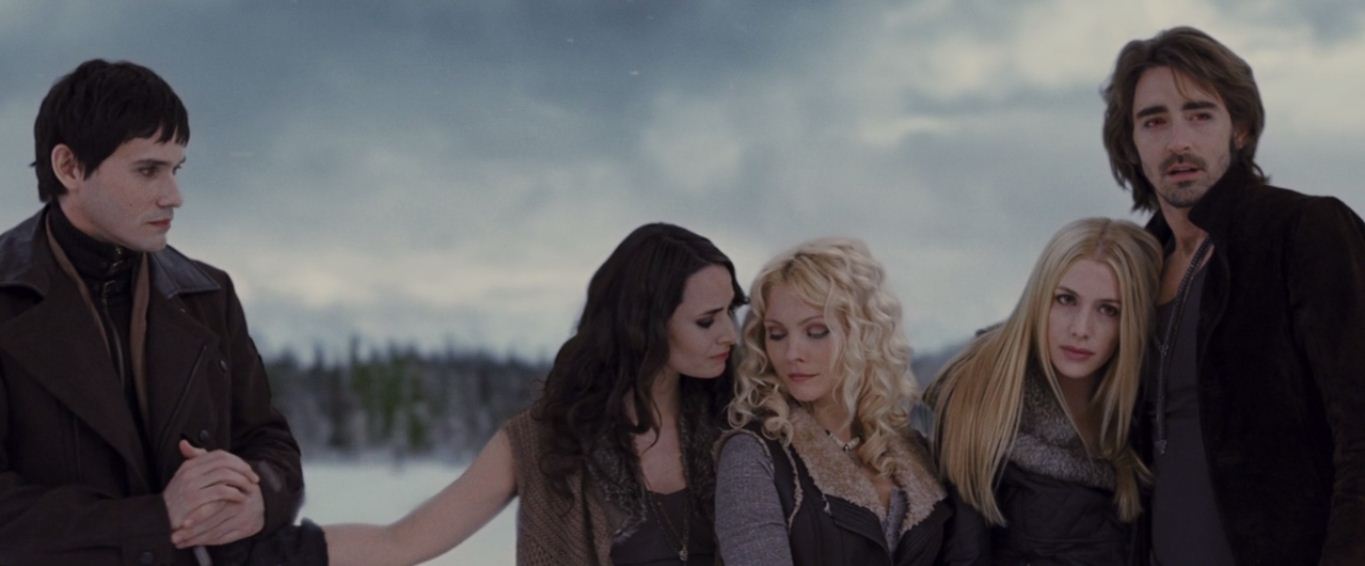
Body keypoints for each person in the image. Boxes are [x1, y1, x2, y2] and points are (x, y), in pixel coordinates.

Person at [0, 60, 307, 564]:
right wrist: (154, 518)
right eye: (148, 170)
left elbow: (267, 441)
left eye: (175, 169)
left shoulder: (207, 294)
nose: (174, 196)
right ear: (69, 167)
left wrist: (261, 498)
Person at [324, 222, 745, 566]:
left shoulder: (741, 425)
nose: (730, 334)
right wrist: (289, 547)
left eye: (731, 310)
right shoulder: (547, 440)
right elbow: (401, 543)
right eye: (707, 321)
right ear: (643, 324)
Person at [1100, 26, 1365, 565]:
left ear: (1239, 128)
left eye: (1199, 115)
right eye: (1154, 121)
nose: (1178, 142)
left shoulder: (1304, 232)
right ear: (1131, 142)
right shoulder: (1132, 271)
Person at [927, 218, 1162, 564]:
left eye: (1108, 310)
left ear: (1132, 322)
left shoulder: (1149, 415)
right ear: (1038, 299)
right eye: (1066, 299)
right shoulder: (978, 395)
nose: (1081, 329)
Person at [715, 238, 949, 566]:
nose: (792, 353)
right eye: (777, 334)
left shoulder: (916, 450)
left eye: (816, 331)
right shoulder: (753, 455)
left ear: (863, 334)